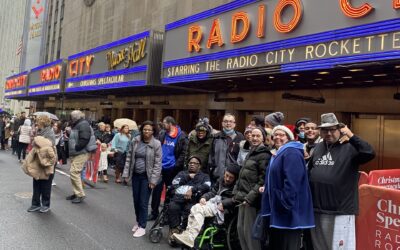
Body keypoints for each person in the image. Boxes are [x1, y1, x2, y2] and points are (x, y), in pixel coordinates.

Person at [308, 113, 375, 250]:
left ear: (340, 129)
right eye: (325, 130)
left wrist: (351, 136)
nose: (328, 133)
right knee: (319, 246)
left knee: (339, 247)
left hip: (340, 210)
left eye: (332, 129)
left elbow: (369, 152)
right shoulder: (318, 148)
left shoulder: (350, 147)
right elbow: (309, 171)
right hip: (318, 208)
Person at [260, 125, 315, 250]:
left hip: (288, 211)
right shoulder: (278, 153)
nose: (278, 137)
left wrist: (284, 202)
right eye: (276, 135)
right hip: (279, 210)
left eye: (282, 135)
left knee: (287, 245)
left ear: (289, 138)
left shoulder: (291, 152)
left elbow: (292, 182)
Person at [172, 164, 239, 248]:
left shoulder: (237, 187)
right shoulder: (221, 180)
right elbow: (213, 192)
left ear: (235, 178)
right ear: (224, 173)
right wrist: (204, 197)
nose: (227, 179)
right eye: (226, 175)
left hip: (223, 208)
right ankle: (188, 234)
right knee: (194, 207)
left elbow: (235, 199)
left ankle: (191, 237)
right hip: (214, 203)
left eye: (231, 177)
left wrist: (224, 203)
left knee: (200, 209)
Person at [122, 121, 162, 237]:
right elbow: (129, 158)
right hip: (135, 175)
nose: (147, 131)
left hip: (147, 177)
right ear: (142, 130)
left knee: (143, 202)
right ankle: (138, 222)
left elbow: (157, 164)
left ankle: (143, 226)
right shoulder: (136, 141)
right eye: (145, 129)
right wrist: (126, 174)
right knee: (136, 200)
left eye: (149, 130)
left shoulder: (156, 144)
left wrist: (153, 180)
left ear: (153, 131)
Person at [233, 126, 271, 250]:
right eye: (252, 135)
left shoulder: (264, 154)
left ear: (263, 138)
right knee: (240, 230)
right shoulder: (251, 151)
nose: (254, 138)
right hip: (242, 197)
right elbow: (242, 175)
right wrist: (236, 192)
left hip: (252, 201)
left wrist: (249, 198)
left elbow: (262, 180)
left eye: (257, 136)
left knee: (249, 233)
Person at [149, 116, 187, 221]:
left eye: (165, 123)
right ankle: (154, 213)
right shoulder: (162, 134)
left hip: (172, 169)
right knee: (156, 190)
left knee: (170, 192)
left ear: (170, 124)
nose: (163, 124)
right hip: (160, 167)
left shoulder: (181, 136)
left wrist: (176, 165)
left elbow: (184, 153)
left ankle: (166, 215)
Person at [167, 155, 211, 245]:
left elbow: (207, 186)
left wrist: (193, 190)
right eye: (190, 163)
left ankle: (184, 232)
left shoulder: (204, 176)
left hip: (194, 200)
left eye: (195, 163)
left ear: (199, 166)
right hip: (178, 199)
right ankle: (174, 231)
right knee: (172, 207)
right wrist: (187, 177)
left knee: (190, 209)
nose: (192, 164)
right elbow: (174, 185)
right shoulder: (182, 174)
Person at [24, 115, 57, 213]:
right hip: (38, 161)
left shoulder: (49, 133)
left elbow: (49, 147)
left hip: (46, 162)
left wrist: (36, 140)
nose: (36, 123)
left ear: (42, 122)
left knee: (46, 184)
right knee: (37, 182)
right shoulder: (40, 131)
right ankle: (35, 204)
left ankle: (45, 204)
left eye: (38, 121)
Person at [66, 110, 97, 204]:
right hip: (78, 152)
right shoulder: (80, 124)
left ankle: (80, 194)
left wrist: (76, 147)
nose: (70, 118)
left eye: (71, 117)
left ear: (74, 117)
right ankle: (76, 193)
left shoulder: (82, 124)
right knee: (76, 173)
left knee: (74, 172)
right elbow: (78, 137)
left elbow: (84, 139)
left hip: (81, 152)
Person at [208, 113, 244, 182]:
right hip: (217, 176)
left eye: (230, 121)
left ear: (234, 124)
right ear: (222, 123)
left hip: (233, 177)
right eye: (226, 121)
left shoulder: (240, 137)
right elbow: (211, 157)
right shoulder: (216, 137)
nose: (228, 123)